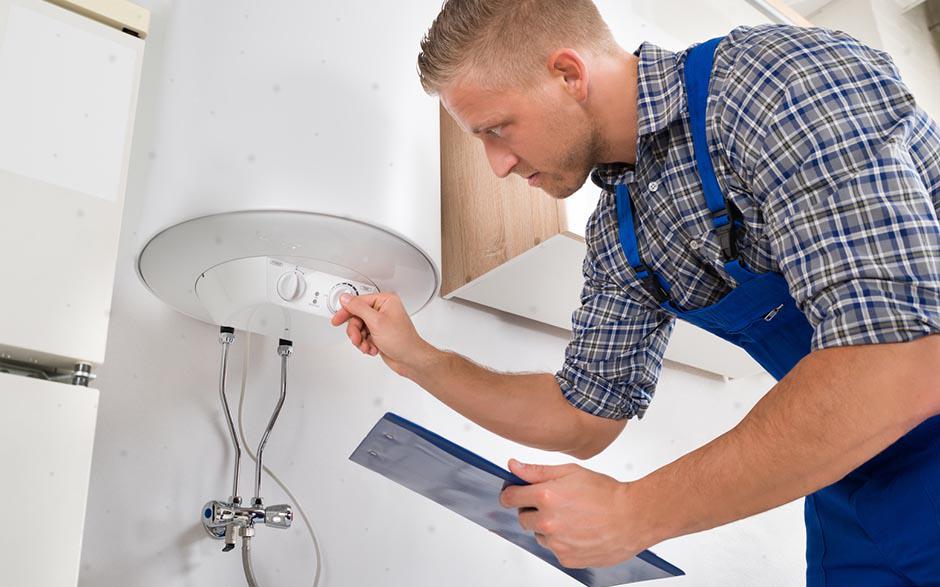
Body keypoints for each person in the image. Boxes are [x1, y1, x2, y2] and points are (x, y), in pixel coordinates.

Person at [330, 1, 940, 584]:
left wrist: (635, 512)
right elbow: (581, 419)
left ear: (568, 74)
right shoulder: (622, 232)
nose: (497, 165)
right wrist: (419, 359)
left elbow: (900, 358)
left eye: (497, 129)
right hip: (856, 482)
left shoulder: (770, 85)